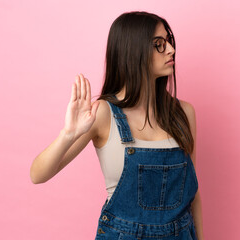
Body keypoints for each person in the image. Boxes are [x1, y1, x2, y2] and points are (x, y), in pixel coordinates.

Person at [30, 11, 204, 240]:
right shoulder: (103, 113)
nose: (171, 49)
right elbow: (38, 175)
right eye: (159, 44)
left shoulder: (184, 113)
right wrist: (68, 134)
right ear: (133, 51)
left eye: (169, 40)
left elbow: (192, 193)